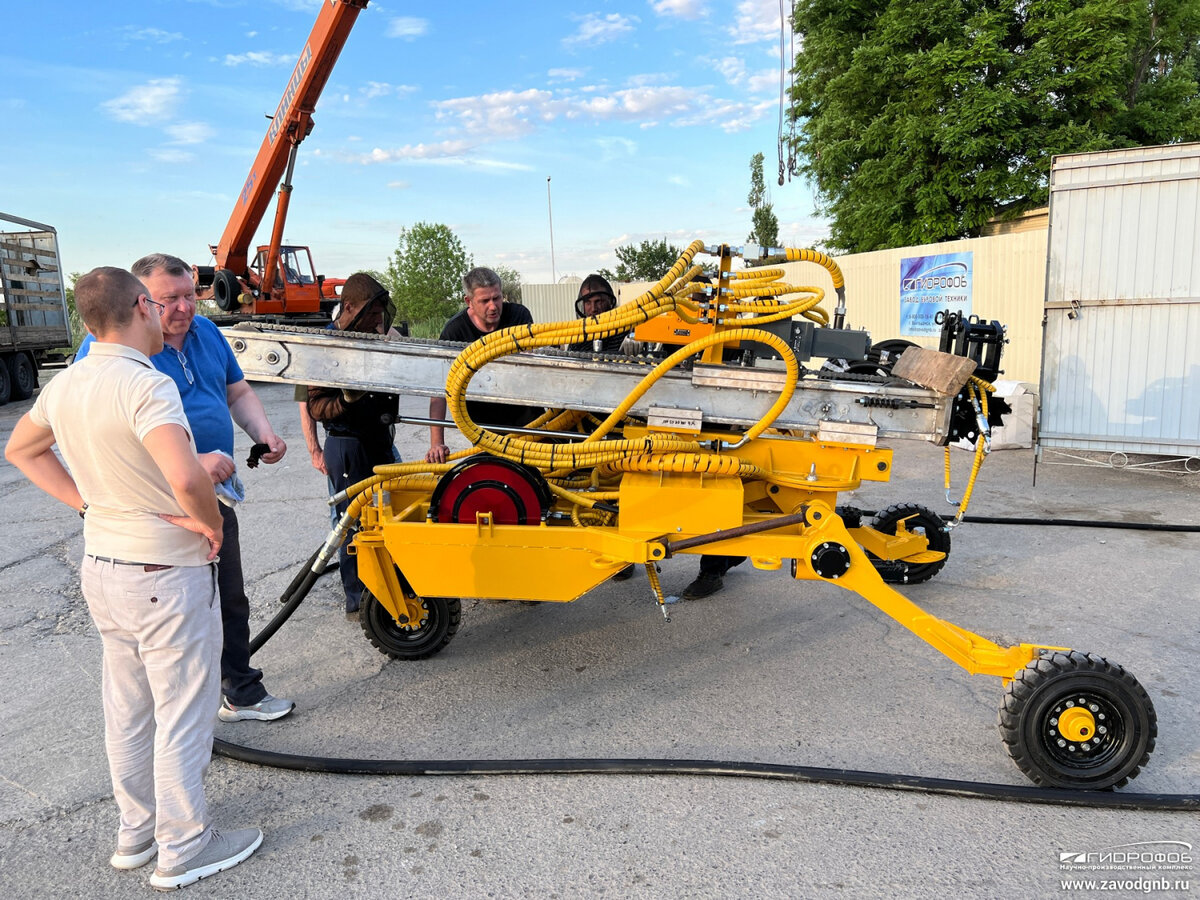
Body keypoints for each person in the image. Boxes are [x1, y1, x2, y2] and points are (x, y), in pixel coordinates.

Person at [5, 267, 263, 890]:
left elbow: (22, 449)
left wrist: (88, 506)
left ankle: (136, 833)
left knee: (127, 709)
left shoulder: (68, 384)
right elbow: (185, 477)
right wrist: (212, 527)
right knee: (182, 710)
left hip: (105, 568)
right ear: (142, 306)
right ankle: (184, 845)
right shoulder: (145, 386)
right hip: (164, 571)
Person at [77, 254, 294, 724]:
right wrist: (189, 462)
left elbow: (235, 391)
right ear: (140, 302)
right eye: (168, 300)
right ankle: (178, 715)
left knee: (228, 597)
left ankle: (239, 692)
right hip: (157, 504)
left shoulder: (208, 333)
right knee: (178, 611)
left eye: (189, 297)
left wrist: (264, 432)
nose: (183, 309)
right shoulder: (112, 349)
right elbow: (98, 426)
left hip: (211, 494)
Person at [305, 273, 402, 615]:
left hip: (379, 443)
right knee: (353, 524)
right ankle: (360, 598)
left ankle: (390, 587)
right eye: (372, 313)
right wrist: (346, 400)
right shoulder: (326, 345)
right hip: (347, 447)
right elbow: (315, 406)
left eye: (380, 313)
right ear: (349, 308)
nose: (378, 320)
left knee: (390, 517)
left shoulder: (374, 339)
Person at [425, 267, 539, 463]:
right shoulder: (455, 332)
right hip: (483, 425)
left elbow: (534, 368)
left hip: (527, 418)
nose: (493, 306)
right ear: (469, 302)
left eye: (497, 298)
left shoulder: (519, 316)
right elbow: (439, 389)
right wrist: (436, 443)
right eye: (485, 301)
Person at [681, 272, 745, 599]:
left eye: (703, 300)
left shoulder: (732, 335)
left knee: (720, 501)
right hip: (676, 427)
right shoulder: (673, 332)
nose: (697, 306)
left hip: (718, 430)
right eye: (691, 299)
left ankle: (714, 569)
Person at [568, 274, 632, 353]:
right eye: (588, 302)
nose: (593, 309)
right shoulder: (577, 337)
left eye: (599, 301)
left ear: (610, 301)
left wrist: (634, 339)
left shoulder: (625, 330)